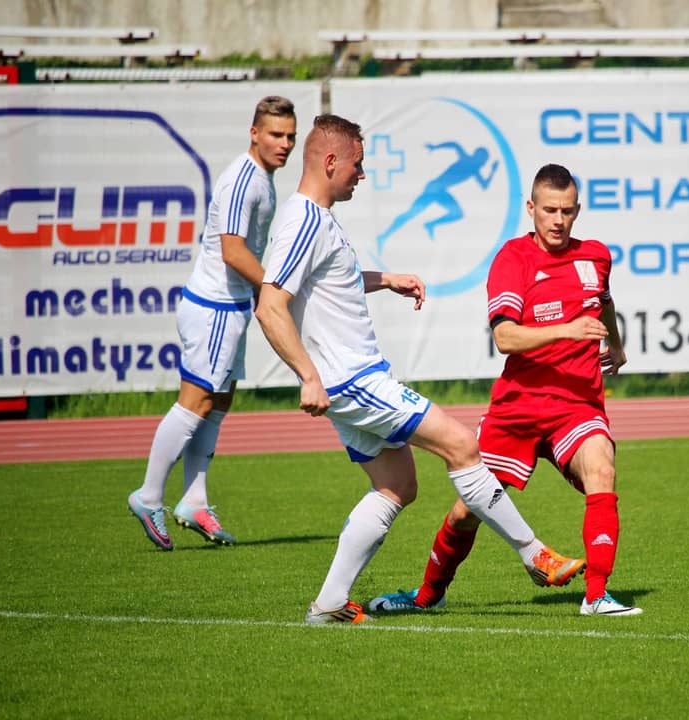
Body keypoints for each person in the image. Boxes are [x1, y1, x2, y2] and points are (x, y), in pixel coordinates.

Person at [254, 115, 585, 625]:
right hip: (353, 379)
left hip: (349, 379)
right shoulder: (303, 220)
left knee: (396, 486)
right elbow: (270, 305)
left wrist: (386, 280)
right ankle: (535, 554)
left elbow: (331, 281)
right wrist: (308, 375)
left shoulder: (318, 219)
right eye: (357, 164)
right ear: (331, 162)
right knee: (462, 444)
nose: (362, 174)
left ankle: (329, 604)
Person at [369, 163, 642, 617]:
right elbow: (505, 337)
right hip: (519, 408)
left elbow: (604, 300)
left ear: (578, 211)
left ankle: (596, 596)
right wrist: (568, 329)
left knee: (602, 470)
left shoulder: (596, 256)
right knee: (466, 512)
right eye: (550, 210)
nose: (558, 220)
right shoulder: (513, 259)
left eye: (567, 211)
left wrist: (615, 344)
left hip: (577, 404)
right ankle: (427, 596)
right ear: (531, 208)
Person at [127, 96, 298, 551]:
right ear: (254, 133)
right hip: (214, 308)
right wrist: (274, 288)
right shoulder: (245, 181)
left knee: (217, 402)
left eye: (290, 136)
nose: (284, 144)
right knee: (196, 402)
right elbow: (233, 251)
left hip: (230, 307)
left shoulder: (262, 178)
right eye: (276, 134)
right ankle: (149, 495)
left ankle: (194, 501)